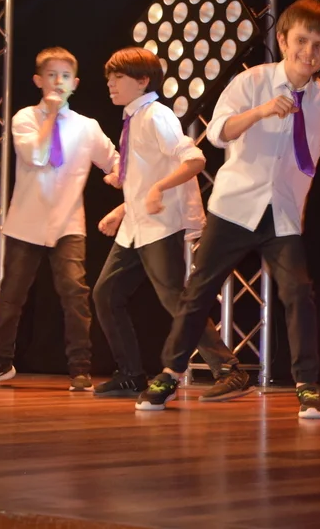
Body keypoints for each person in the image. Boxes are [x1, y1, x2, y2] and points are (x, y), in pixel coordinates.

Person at [134, 0, 320, 418]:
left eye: (319, 45)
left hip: (283, 214)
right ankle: (169, 373)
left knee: (298, 292)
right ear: (284, 40)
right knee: (199, 290)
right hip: (233, 207)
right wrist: (260, 112)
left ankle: (307, 385)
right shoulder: (252, 82)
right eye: (302, 41)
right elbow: (218, 132)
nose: (308, 52)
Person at [91, 47, 251, 401]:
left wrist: (159, 189)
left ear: (142, 81)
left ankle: (229, 369)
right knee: (107, 293)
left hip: (160, 224)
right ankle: (131, 374)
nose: (111, 84)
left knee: (175, 299)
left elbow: (194, 159)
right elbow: (145, 176)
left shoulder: (156, 115)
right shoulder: (134, 118)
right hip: (136, 226)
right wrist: (122, 209)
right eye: (109, 78)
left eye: (118, 77)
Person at [0, 47, 119, 391]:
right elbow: (36, 155)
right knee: (11, 295)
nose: (58, 82)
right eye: (51, 75)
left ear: (75, 83)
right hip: (27, 221)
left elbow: (113, 159)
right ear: (38, 81)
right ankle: (0, 363)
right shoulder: (25, 118)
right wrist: (49, 116)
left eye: (65, 76)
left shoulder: (87, 127)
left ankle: (80, 368)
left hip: (68, 222)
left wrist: (117, 173)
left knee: (74, 293)